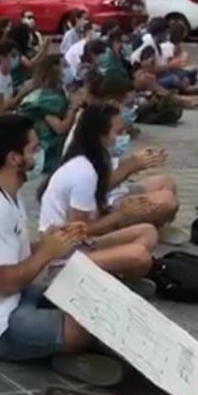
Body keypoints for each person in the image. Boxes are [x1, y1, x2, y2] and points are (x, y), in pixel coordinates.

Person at [0, 114, 122, 385]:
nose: (39, 155)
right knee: (80, 329)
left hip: (7, 299)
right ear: (14, 158)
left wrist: (52, 242)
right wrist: (47, 252)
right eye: (34, 149)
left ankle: (57, 345)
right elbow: (4, 282)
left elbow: (13, 256)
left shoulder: (7, 194)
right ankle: (60, 353)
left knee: (87, 300)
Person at [36, 106, 160, 289]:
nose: (123, 137)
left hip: (81, 245)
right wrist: (121, 215)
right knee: (139, 255)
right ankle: (91, 281)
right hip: (62, 257)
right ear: (100, 135)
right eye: (118, 132)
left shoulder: (92, 162)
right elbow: (76, 231)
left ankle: (110, 275)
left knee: (147, 231)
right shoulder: (84, 172)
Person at [16, 55, 85, 172]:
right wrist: (73, 107)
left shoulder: (58, 92)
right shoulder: (46, 98)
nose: (68, 69)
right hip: (43, 154)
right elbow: (60, 128)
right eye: (64, 66)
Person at [133, 47, 198, 111]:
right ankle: (182, 100)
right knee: (161, 87)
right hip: (145, 89)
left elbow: (160, 70)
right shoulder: (142, 75)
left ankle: (182, 98)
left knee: (185, 74)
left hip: (154, 84)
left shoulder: (147, 71)